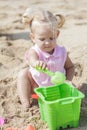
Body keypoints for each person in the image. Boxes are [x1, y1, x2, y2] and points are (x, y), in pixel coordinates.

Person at [17, 7, 75, 111]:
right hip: (36, 88)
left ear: (57, 34)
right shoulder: (34, 51)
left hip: (58, 87)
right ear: (33, 37)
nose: (47, 43)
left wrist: (68, 80)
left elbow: (70, 67)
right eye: (42, 39)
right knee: (23, 74)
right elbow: (32, 60)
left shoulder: (61, 52)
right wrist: (36, 63)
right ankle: (25, 102)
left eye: (51, 38)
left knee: (72, 87)